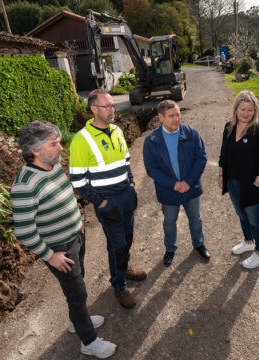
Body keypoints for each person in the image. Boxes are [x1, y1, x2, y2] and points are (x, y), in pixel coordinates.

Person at [11, 121, 116, 358]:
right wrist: (50, 256)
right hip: (60, 249)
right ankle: (88, 341)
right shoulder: (25, 185)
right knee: (77, 294)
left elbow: (68, 197)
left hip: (76, 237)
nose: (61, 147)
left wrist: (79, 222)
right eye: (54, 143)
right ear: (36, 150)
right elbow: (24, 231)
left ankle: (75, 322)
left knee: (78, 283)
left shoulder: (54, 167)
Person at [69, 89, 146, 309]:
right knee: (118, 245)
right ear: (94, 109)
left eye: (112, 106)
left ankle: (124, 268)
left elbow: (126, 161)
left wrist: (131, 183)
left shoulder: (117, 131)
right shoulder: (81, 140)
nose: (112, 110)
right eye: (107, 106)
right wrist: (100, 202)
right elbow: (78, 180)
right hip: (108, 202)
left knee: (127, 239)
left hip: (126, 197)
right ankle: (119, 285)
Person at [143, 100, 210, 266]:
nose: (176, 119)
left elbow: (201, 158)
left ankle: (199, 244)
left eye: (178, 114)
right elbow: (151, 169)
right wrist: (173, 185)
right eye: (171, 116)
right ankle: (170, 249)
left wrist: (188, 182)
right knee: (169, 222)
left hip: (191, 187)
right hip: (168, 190)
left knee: (196, 218)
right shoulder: (152, 140)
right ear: (160, 117)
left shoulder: (191, 133)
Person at [218, 90, 259, 269]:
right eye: (243, 109)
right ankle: (248, 241)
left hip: (252, 184)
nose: (246, 113)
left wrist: (258, 184)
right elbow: (223, 155)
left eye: (250, 110)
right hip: (233, 181)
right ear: (236, 109)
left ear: (255, 111)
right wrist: (221, 175)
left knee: (255, 219)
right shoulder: (229, 127)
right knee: (242, 214)